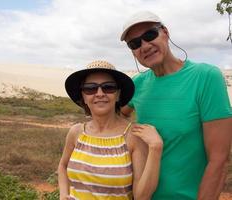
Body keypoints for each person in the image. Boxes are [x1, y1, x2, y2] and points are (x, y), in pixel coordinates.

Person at [120, 10, 232, 200]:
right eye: (135, 43)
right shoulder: (137, 84)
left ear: (165, 32)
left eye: (150, 35)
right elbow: (112, 118)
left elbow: (218, 161)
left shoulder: (205, 77)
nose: (145, 46)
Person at [58, 60, 163, 200]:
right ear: (83, 96)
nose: (100, 93)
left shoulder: (133, 135)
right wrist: (63, 194)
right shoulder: (76, 132)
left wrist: (156, 148)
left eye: (108, 87)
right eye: (90, 88)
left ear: (118, 94)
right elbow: (63, 166)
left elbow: (142, 197)